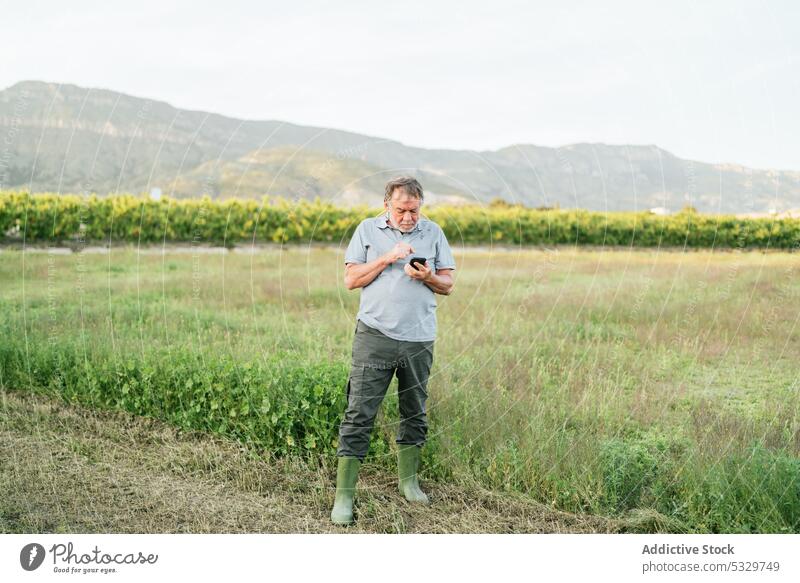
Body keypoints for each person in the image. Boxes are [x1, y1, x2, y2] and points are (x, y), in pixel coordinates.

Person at [331, 176, 456, 525]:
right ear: (387, 204)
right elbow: (351, 280)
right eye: (401, 210)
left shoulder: (433, 233)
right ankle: (344, 497)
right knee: (359, 411)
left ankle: (409, 483)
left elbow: (448, 285)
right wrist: (387, 258)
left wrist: (428, 277)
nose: (408, 218)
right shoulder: (367, 231)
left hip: (419, 338)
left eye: (414, 211)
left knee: (414, 410)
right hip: (375, 335)